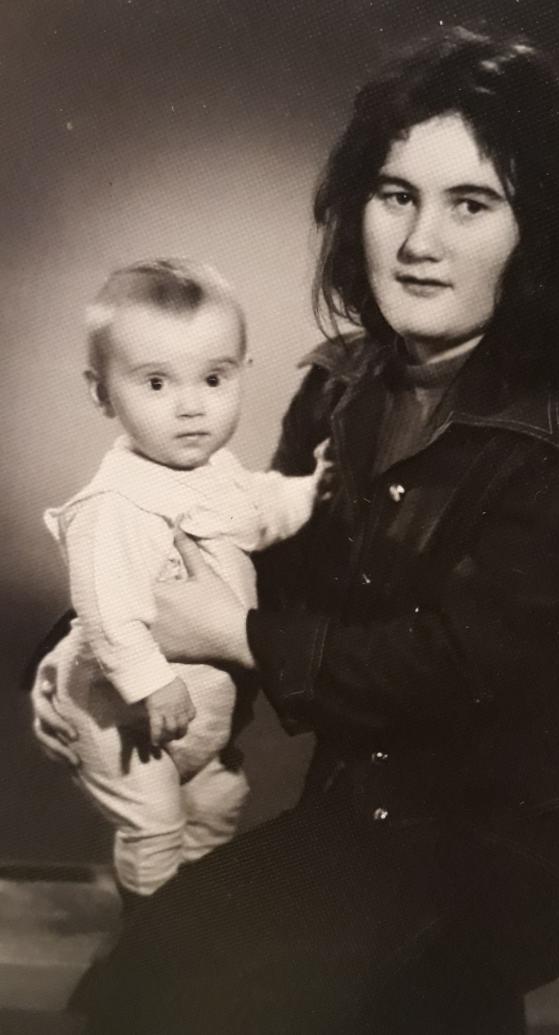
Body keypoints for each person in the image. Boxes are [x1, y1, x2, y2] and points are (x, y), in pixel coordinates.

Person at [31, 26, 559, 1034]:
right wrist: (78, 660)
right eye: (396, 194)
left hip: (528, 836)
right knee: (141, 990)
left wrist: (232, 641)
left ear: (534, 227)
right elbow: (231, 555)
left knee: (346, 992)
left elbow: (460, 664)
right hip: (365, 812)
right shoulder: (341, 384)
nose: (420, 243)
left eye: (471, 203)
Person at [41, 258, 329, 902]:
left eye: (214, 377)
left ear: (242, 375)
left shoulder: (218, 472)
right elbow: (104, 608)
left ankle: (191, 922)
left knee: (217, 804)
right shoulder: (115, 501)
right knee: (155, 824)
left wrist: (313, 491)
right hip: (122, 714)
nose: (192, 406)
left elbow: (260, 508)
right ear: (100, 392)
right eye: (155, 383)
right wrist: (150, 682)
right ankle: (147, 931)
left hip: (201, 727)